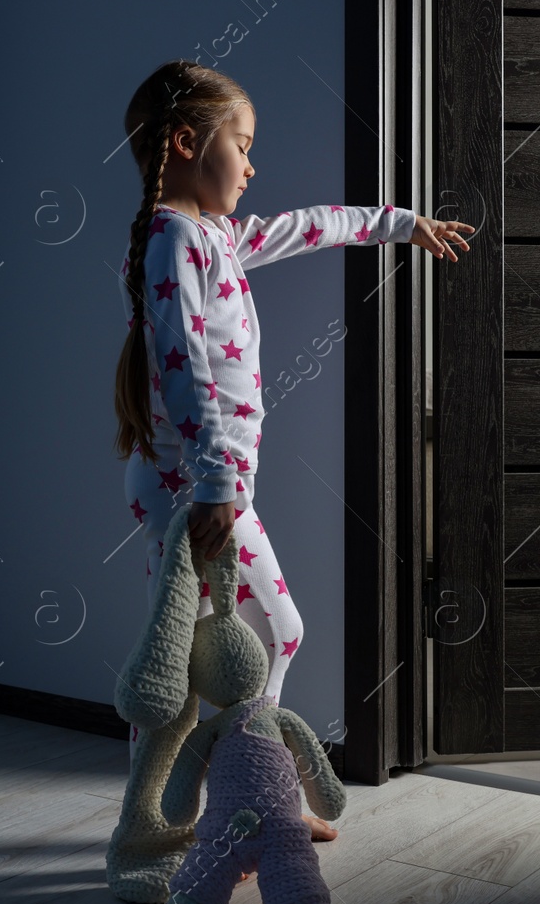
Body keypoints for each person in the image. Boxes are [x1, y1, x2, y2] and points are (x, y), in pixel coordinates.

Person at [111, 59, 470, 845]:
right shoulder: (172, 241)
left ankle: (250, 798)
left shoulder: (215, 236)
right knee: (197, 657)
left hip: (211, 483)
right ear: (184, 143)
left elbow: (310, 224)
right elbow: (182, 367)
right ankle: (171, 820)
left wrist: (401, 224)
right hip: (191, 485)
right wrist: (211, 481)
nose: (252, 164)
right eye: (242, 144)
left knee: (243, 640)